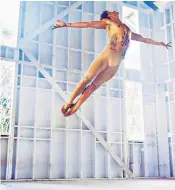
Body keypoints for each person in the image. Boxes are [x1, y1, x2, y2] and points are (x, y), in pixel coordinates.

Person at [53, 10, 171, 117]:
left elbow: (144, 39)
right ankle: (68, 102)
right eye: (111, 11)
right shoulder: (108, 22)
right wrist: (67, 25)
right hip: (107, 54)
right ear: (109, 15)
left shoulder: (128, 30)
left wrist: (160, 43)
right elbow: (88, 24)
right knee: (87, 79)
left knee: (94, 86)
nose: (114, 10)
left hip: (116, 63)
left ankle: (76, 107)